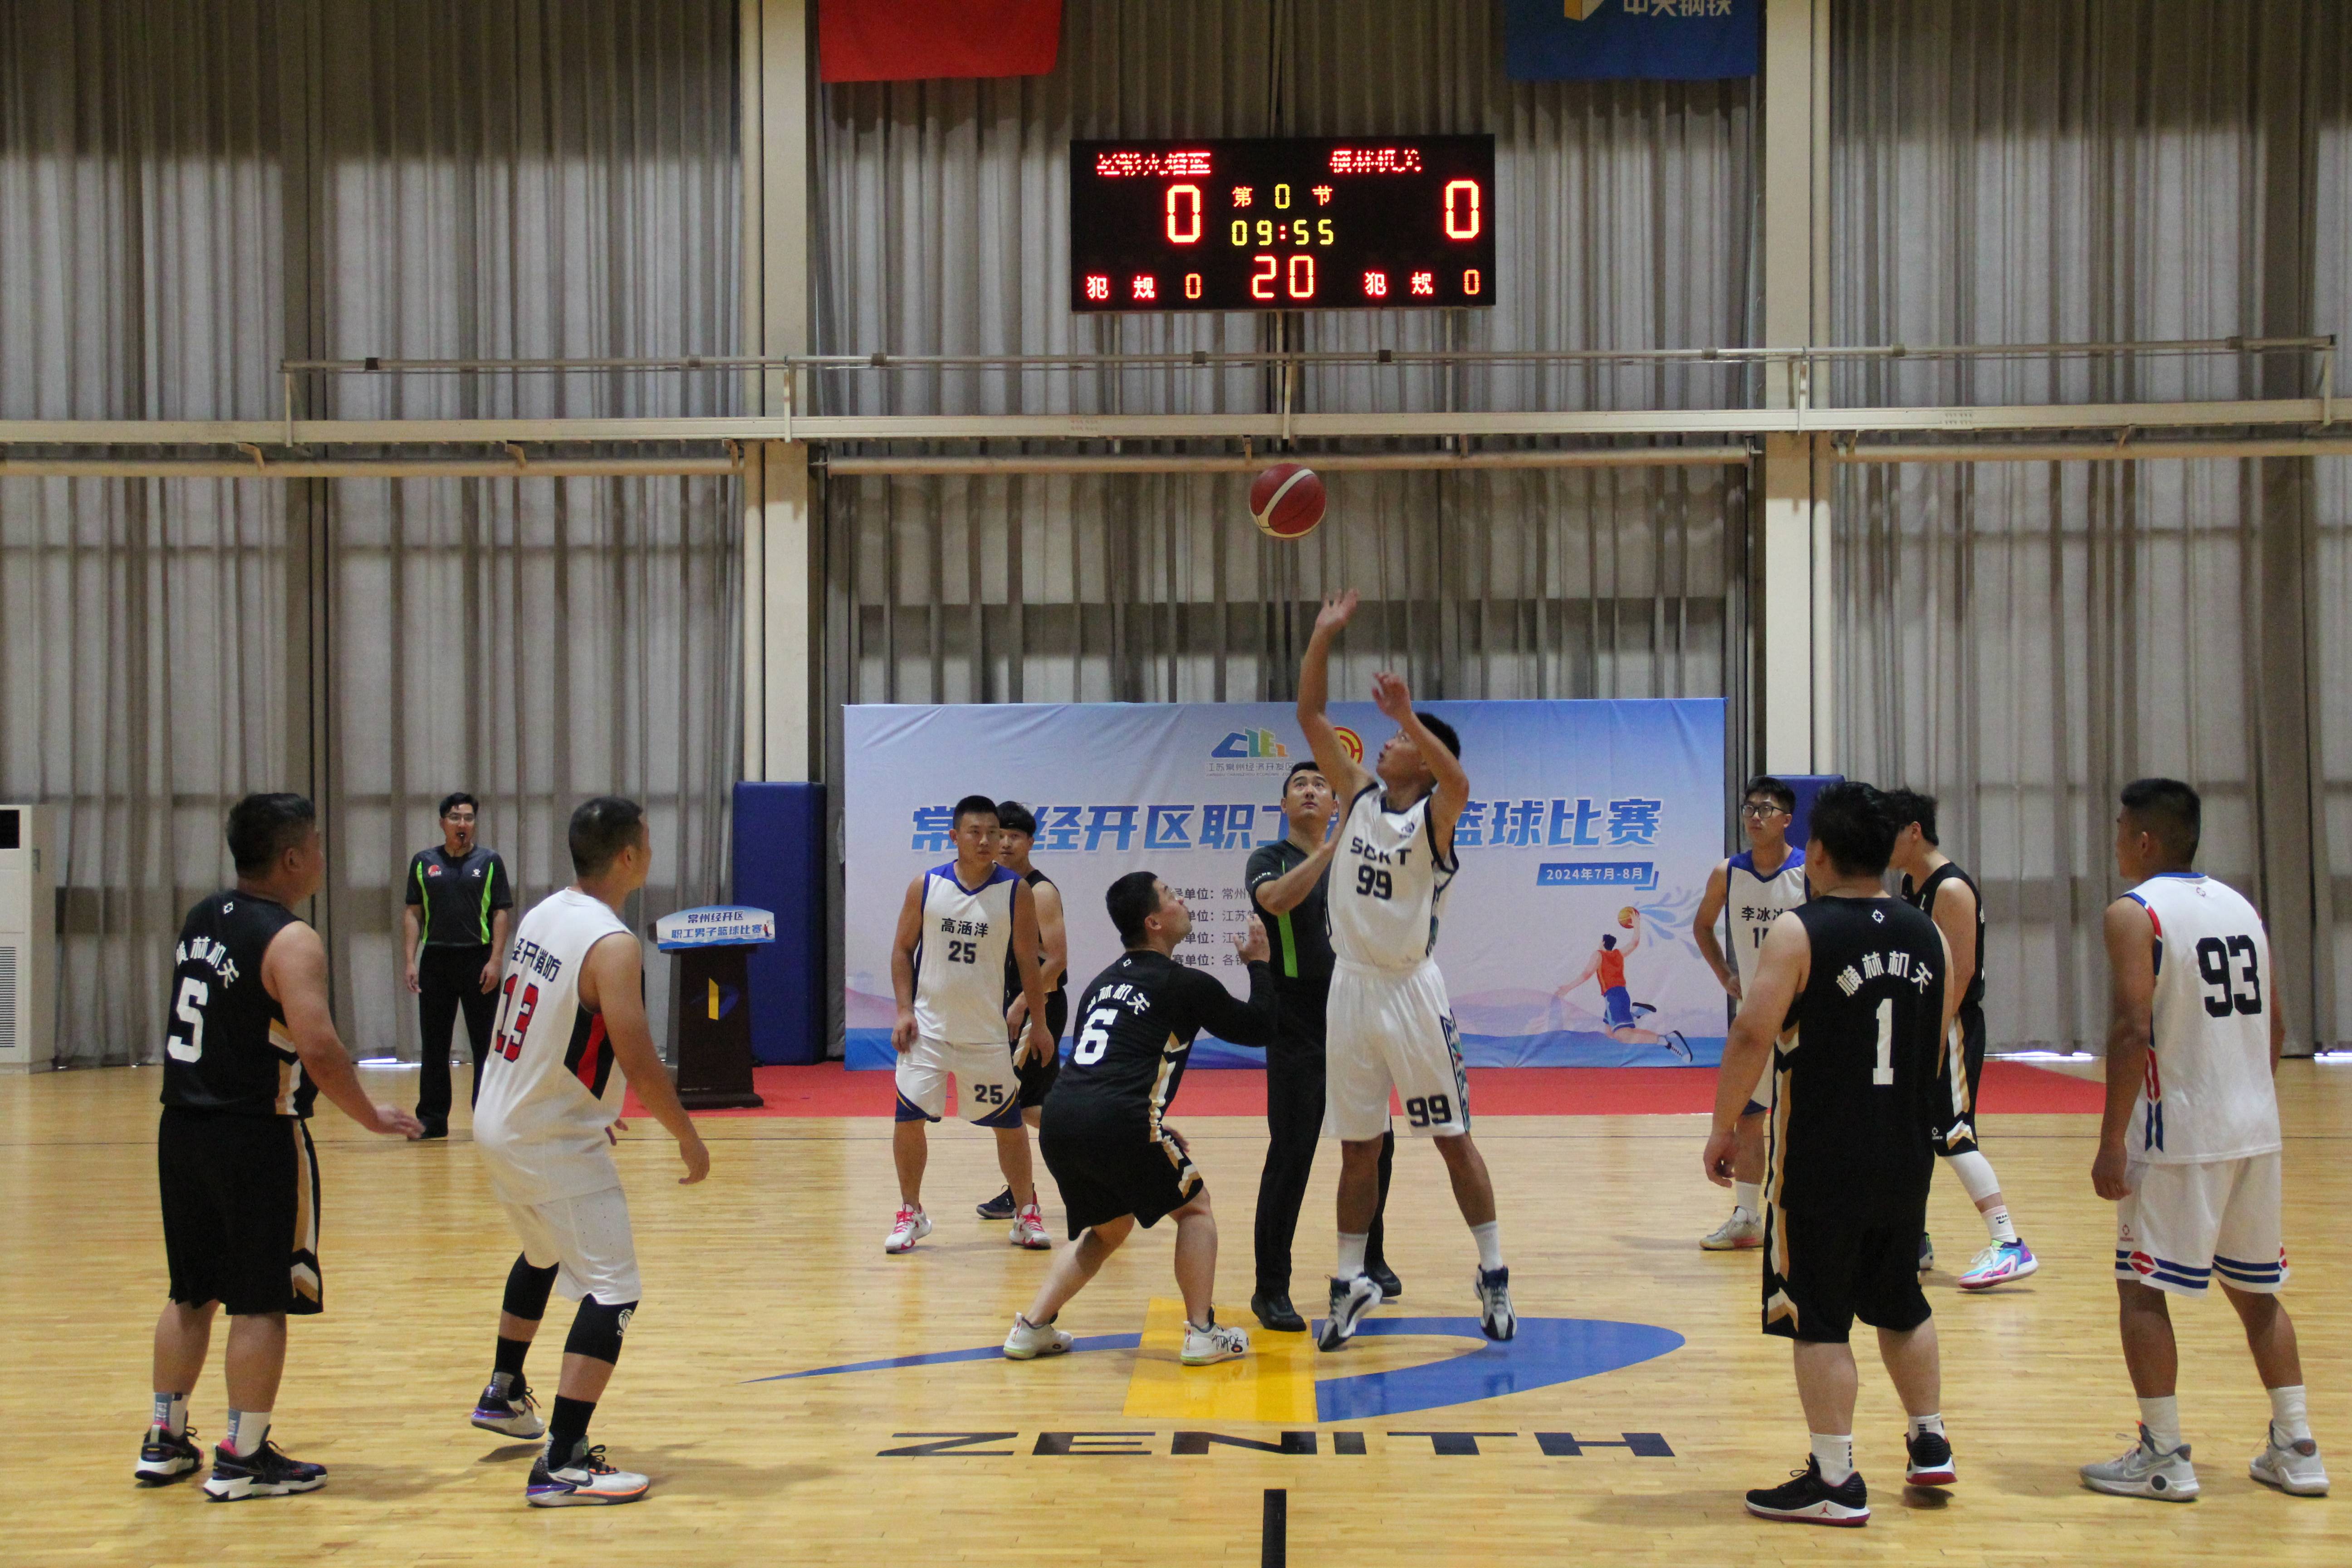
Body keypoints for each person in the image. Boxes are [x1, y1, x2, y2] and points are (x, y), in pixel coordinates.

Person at [137, 794, 424, 1500]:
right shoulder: (293, 940)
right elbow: (319, 1047)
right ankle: (243, 1455)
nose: (324, 856)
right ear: (292, 858)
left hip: (182, 1127)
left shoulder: (201, 917)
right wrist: (369, 1116)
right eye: (317, 845)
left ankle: (165, 1439)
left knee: (191, 1291)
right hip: (255, 1132)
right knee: (261, 1300)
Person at [1703, 781, 1956, 1527]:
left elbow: (1752, 1032)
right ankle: (1929, 1440)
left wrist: (1723, 1124)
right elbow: (1935, 1041)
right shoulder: (1926, 932)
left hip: (1820, 1154)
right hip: (1903, 1150)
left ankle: (1835, 1478)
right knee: (1900, 1301)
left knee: (1816, 1316)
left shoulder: (1798, 931)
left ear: (1815, 852)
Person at [2080, 778, 2326, 1500]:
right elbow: (2277, 1025)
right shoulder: (2240, 905)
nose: (2116, 841)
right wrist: (2246, 1104)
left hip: (2176, 1134)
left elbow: (2132, 1028)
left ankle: (2163, 1455)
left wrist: (2112, 1142)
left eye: (2120, 828)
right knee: (2258, 1293)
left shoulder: (2135, 913)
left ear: (2144, 839)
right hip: (2254, 1129)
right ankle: (2298, 1446)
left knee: (2140, 1289)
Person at [468, 796, 712, 1508]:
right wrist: (687, 1135)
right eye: (648, 843)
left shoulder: (545, 913)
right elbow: (638, 1058)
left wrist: (589, 1102)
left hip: (500, 1117)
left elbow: (552, 1026)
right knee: (614, 1289)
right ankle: (564, 1460)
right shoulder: (614, 943)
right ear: (630, 857)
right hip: (546, 1138)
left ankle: (504, 1390)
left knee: (544, 1253)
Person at [1297, 588, 1514, 1351]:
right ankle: (1349, 1279)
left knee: (1451, 1136)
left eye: (1396, 742)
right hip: (1350, 988)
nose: (1383, 746)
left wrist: (1409, 718)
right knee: (1358, 1146)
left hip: (1410, 992)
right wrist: (1322, 636)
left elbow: (1460, 786)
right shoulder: (1357, 797)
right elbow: (1310, 716)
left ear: (1421, 759)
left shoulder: (1434, 815)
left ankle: (1492, 1271)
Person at [1004, 873, 1278, 1366]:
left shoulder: (1102, 983)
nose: (1182, 898)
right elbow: (1261, 1026)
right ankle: (1203, 1333)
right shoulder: (1184, 983)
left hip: (1062, 1120)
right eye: (1171, 895)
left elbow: (1106, 1064)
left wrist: (1145, 1125)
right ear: (1154, 922)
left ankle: (1032, 1328)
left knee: (1107, 1231)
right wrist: (1259, 965)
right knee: (1195, 1210)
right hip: (1119, 1121)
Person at [1246, 760, 1399, 1334]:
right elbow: (1276, 902)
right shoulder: (1269, 859)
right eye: (1299, 786)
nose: (1310, 791)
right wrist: (1331, 851)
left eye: (1320, 786)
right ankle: (1270, 1288)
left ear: (1336, 804)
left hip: (1358, 1016)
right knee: (1292, 1154)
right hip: (1297, 1021)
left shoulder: (1362, 863)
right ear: (1284, 805)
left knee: (1375, 1149)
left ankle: (1369, 1260)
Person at [887, 794, 1056, 1253]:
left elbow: (1029, 961)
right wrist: (904, 1010)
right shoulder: (926, 886)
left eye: (993, 833)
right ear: (954, 837)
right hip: (928, 1031)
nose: (985, 841)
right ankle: (911, 1213)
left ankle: (1026, 1214)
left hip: (985, 1034)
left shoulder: (1016, 891)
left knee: (1009, 1124)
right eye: (975, 833)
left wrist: (1039, 1023)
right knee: (908, 1119)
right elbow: (902, 950)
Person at [1885, 789, 2035, 1288]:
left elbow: (1962, 971)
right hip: (1924, 1021)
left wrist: (1930, 1034)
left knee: (1952, 1133)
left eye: (1888, 831)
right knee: (1913, 1134)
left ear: (1914, 832)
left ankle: (2009, 1243)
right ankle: (1914, 1240)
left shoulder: (1950, 889)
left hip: (1950, 1024)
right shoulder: (1911, 882)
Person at [1693, 776, 1810, 1250]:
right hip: (1755, 1015)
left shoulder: (1809, 872)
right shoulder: (1728, 873)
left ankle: (1814, 1214)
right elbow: (1702, 926)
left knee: (1809, 1118)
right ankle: (1746, 1216)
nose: (1755, 817)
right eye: (1749, 809)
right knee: (1748, 1116)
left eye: (1766, 809)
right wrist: (1726, 974)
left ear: (1787, 820)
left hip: (1803, 1014)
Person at [975, 800, 1070, 1221]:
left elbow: (1057, 960)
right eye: (1001, 835)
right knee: (1012, 1106)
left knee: (1018, 1107)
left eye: (1016, 836)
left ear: (1030, 842)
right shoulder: (994, 887)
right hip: (1007, 1007)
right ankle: (1021, 1191)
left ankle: (1101, 1153)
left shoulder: (1040, 891)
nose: (1006, 843)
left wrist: (1022, 1005)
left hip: (1037, 1006)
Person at [401, 792, 515, 1137]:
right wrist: (410, 960)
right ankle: (432, 1120)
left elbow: (500, 913)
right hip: (436, 961)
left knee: (485, 1045)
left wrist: (496, 960)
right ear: (442, 823)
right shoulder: (423, 862)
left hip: (478, 961)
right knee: (434, 1044)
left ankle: (487, 1118)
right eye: (455, 817)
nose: (462, 823)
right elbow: (413, 913)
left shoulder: (490, 862)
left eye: (468, 817)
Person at [1555, 908, 1691, 1060]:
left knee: (1623, 1036)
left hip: (1613, 997)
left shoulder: (1599, 955)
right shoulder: (1618, 954)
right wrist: (1637, 926)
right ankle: (1634, 1014)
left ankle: (1666, 1040)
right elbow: (1634, 943)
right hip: (1620, 995)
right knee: (1610, 1033)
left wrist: (1568, 987)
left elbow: (1586, 974)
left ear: (1603, 943)